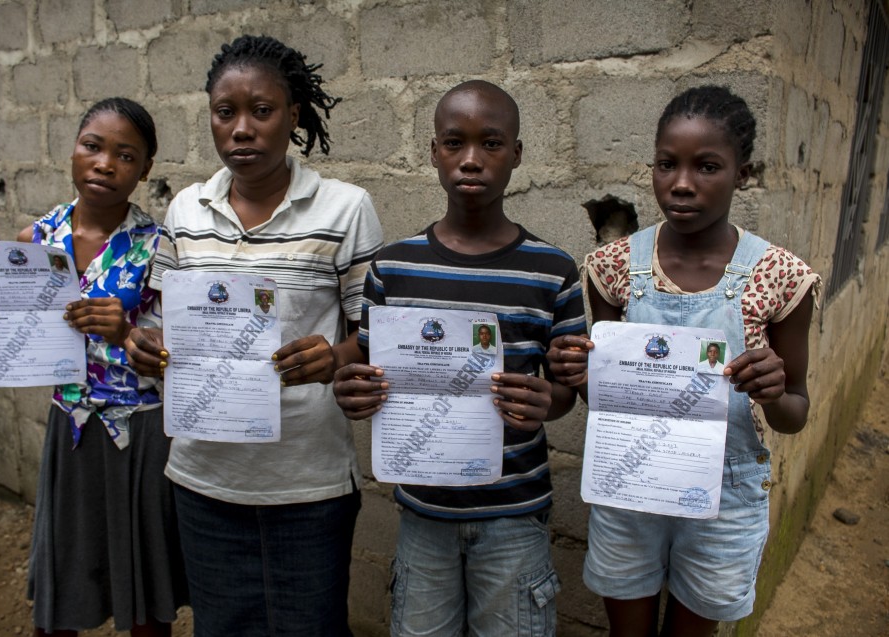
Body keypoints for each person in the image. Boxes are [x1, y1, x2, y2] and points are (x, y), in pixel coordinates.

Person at [124, 35, 383, 637]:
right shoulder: (187, 210)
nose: (242, 129)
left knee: (310, 625)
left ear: (294, 116)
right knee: (221, 625)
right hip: (203, 476)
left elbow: (373, 333)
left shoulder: (344, 209)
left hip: (306, 479)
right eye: (225, 112)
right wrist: (145, 346)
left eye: (262, 111)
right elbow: (159, 322)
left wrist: (334, 356)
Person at [548, 85, 821, 637]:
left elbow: (796, 412)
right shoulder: (614, 268)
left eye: (708, 166)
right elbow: (606, 399)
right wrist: (580, 375)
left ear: (744, 172)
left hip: (723, 497)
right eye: (666, 164)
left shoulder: (781, 277)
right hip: (630, 485)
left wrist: (774, 389)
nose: (681, 183)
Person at [333, 80, 586, 637]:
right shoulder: (394, 268)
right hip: (424, 512)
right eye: (454, 142)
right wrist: (352, 393)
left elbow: (565, 389)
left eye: (491, 143)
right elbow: (371, 373)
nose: (471, 159)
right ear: (433, 152)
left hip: (514, 513)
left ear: (517, 154)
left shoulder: (553, 271)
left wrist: (550, 400)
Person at [0, 98, 187, 636]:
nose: (104, 164)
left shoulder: (156, 248)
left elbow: (173, 351)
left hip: (139, 431)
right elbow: (7, 329)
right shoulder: (35, 242)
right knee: (62, 584)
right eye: (92, 147)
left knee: (144, 595)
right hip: (70, 426)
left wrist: (126, 333)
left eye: (125, 155)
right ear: (73, 151)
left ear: (144, 171)